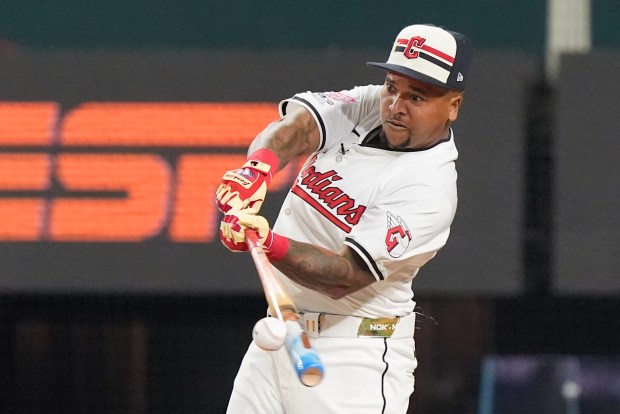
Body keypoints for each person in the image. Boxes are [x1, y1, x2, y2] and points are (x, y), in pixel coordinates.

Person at [216, 23, 473, 414]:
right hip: (280, 334)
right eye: (392, 86)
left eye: (416, 96)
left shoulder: (429, 188)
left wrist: (269, 243)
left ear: (453, 106)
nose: (395, 105)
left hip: (354, 356)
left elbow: (344, 276)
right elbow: (298, 126)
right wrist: (257, 170)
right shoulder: (373, 105)